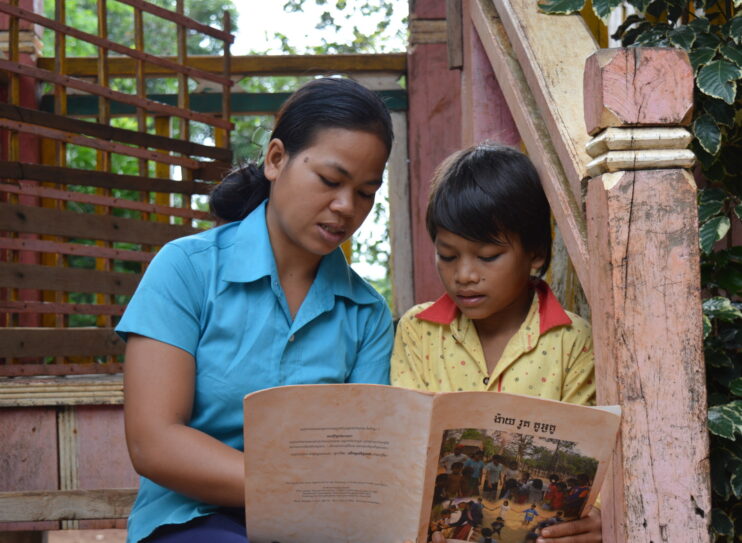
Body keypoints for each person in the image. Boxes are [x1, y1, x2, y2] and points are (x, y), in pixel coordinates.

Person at [117, 77, 395, 543]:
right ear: (276, 159)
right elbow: (154, 441)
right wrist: (298, 487)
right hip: (191, 520)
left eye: (366, 192)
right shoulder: (187, 270)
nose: (346, 207)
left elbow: (361, 458)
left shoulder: (366, 313)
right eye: (330, 180)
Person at [390, 143, 601, 542]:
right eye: (447, 256)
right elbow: (406, 441)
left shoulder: (571, 340)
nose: (464, 275)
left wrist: (595, 518)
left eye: (487, 256)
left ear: (536, 255)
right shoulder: (418, 330)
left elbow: (587, 454)